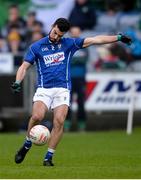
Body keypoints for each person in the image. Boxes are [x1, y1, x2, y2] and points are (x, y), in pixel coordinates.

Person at [11, 18, 131, 167]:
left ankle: (48, 157)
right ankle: (27, 144)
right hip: (44, 88)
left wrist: (118, 37)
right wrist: (17, 82)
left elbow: (96, 40)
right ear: (52, 26)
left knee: (59, 121)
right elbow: (24, 67)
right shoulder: (37, 47)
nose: (56, 37)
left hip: (62, 88)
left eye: (60, 36)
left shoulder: (69, 44)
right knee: (37, 116)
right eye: (55, 33)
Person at [65, 26, 88, 131]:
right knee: (66, 102)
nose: (75, 34)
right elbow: (65, 60)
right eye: (73, 32)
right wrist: (76, 60)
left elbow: (84, 60)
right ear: (70, 33)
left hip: (80, 78)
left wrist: (73, 60)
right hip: (68, 79)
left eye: (77, 32)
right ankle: (66, 124)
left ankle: (81, 124)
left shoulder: (85, 45)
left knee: (81, 102)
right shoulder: (66, 45)